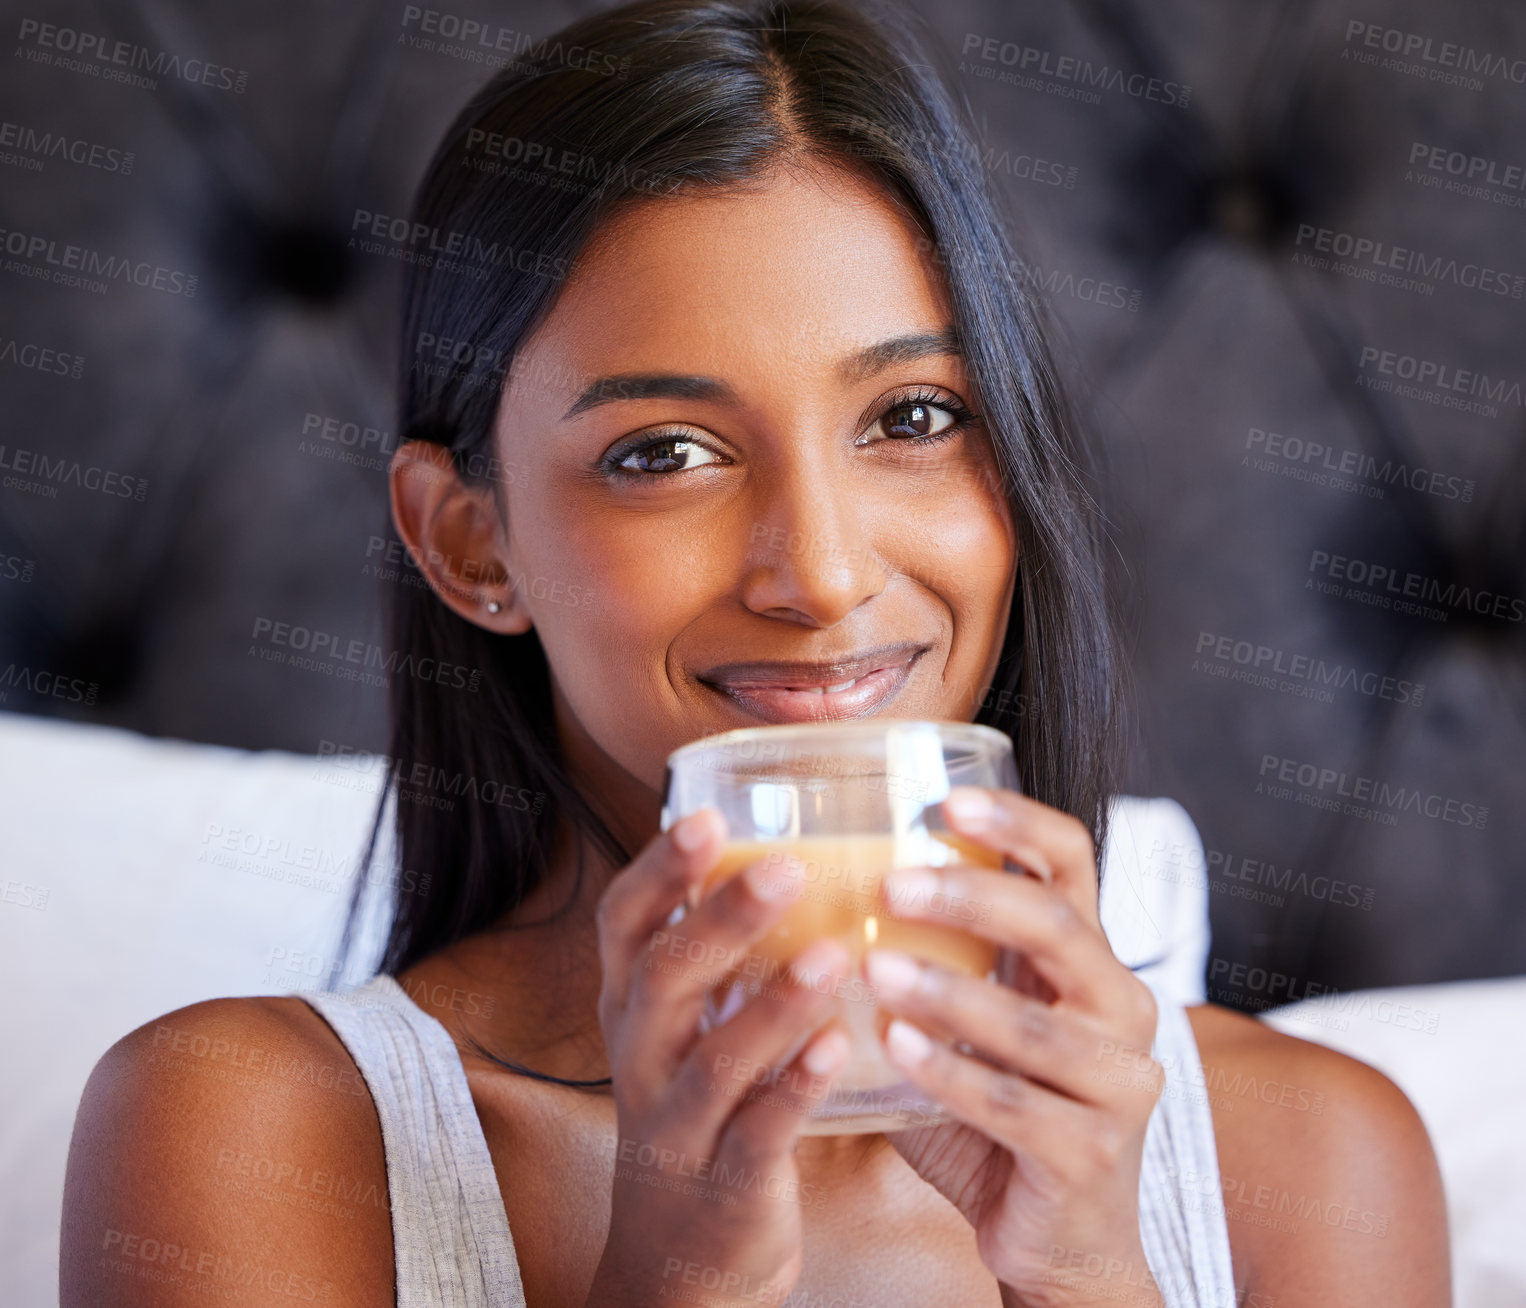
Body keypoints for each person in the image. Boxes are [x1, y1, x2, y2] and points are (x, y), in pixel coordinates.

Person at [60, 1, 1449, 1304]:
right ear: (471, 546)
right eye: (663, 453)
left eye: (911, 419)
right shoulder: (246, 1129)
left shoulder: (1308, 1162)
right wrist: (672, 1279)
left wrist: (1088, 1277)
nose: (823, 574)